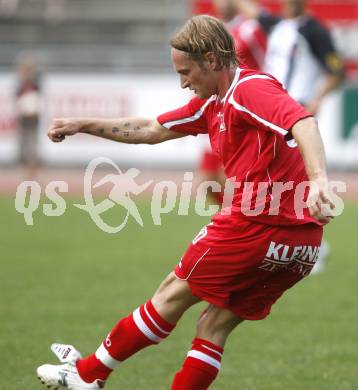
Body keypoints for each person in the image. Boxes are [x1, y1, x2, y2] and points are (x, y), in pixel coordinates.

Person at [37, 15, 334, 390]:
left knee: (169, 295)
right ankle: (90, 373)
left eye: (186, 71)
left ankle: (88, 374)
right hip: (301, 244)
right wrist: (83, 124)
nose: (183, 82)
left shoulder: (249, 89)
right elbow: (149, 130)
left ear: (211, 59)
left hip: (255, 225)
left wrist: (320, 179)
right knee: (213, 326)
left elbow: (303, 122)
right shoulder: (214, 104)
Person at [237, 0, 344, 273]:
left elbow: (336, 72)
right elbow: (250, 11)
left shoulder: (314, 30)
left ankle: (315, 245)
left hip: (295, 111)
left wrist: (317, 99)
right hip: (270, 111)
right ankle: (274, 244)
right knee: (271, 181)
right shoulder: (278, 25)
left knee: (301, 181)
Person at [199, 0, 267, 204]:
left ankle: (239, 224)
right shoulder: (210, 34)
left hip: (241, 111)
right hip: (216, 109)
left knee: (230, 178)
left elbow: (267, 64)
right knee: (208, 180)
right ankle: (234, 221)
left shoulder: (250, 29)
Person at [15, 53, 42, 180]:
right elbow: (18, 101)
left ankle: (32, 177)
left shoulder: (35, 83)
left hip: (33, 120)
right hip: (23, 120)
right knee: (23, 150)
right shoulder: (20, 84)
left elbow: (36, 101)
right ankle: (26, 176)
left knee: (32, 150)